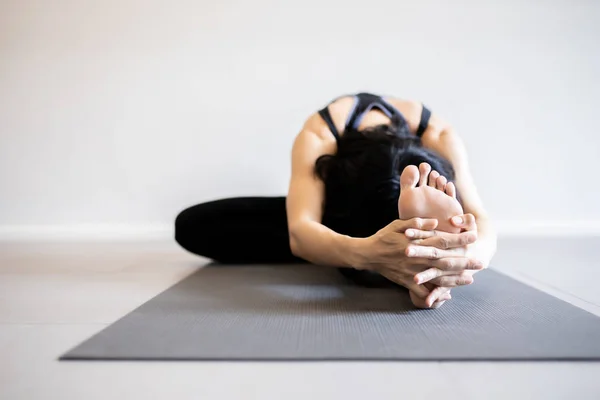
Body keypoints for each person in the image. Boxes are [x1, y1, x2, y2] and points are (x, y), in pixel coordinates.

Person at [175, 93, 497, 309]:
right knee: (194, 225)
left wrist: (464, 255)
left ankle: (419, 250)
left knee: (430, 236)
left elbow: (481, 222)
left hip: (362, 221)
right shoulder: (321, 133)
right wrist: (366, 252)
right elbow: (302, 227)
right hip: (335, 215)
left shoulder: (440, 136)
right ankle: (396, 252)